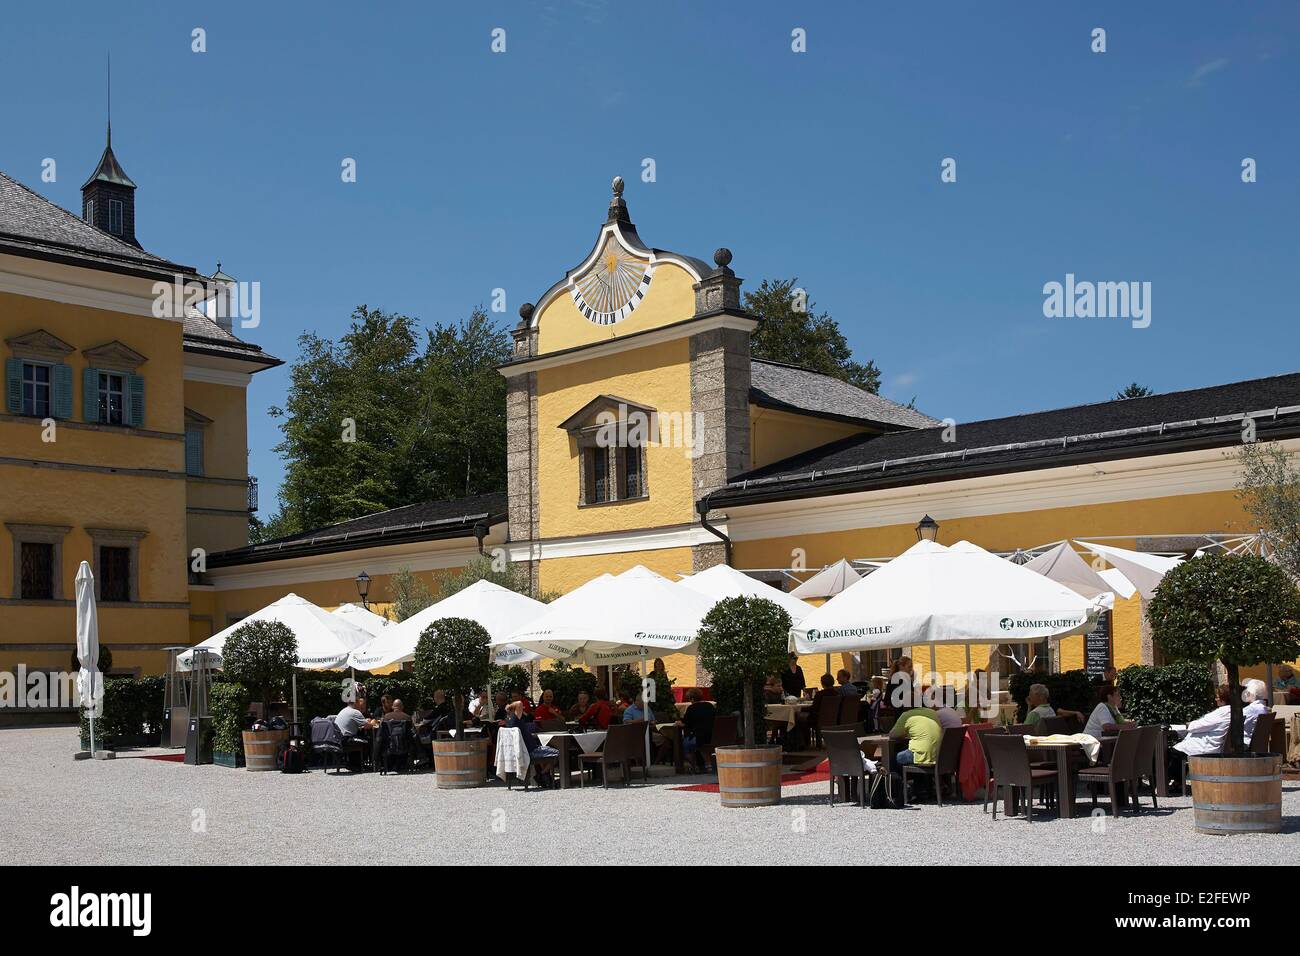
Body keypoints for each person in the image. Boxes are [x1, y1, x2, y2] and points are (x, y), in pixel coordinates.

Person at [503, 700, 561, 788]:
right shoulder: (515, 718)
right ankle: (543, 774)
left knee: (543, 748)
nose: (523, 709)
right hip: (531, 751)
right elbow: (519, 703)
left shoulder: (509, 722)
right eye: (521, 709)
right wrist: (510, 706)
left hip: (523, 751)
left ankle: (544, 777)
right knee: (559, 753)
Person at [1173, 685, 1233, 758]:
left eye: (1217, 697)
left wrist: (1189, 724)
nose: (1215, 699)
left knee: (1167, 754)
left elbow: (1194, 727)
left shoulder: (1221, 713)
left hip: (1200, 750)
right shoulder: (1231, 712)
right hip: (1208, 749)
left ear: (1224, 698)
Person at [888, 705, 942, 778]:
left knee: (892, 760)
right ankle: (919, 786)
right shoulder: (933, 713)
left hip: (921, 755)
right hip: (938, 755)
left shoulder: (907, 715)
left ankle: (900, 787)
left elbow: (892, 735)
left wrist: (904, 733)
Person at [677, 689, 717, 772]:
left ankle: (694, 766)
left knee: (684, 745)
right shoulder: (709, 706)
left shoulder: (692, 708)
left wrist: (678, 723)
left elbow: (685, 723)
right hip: (712, 736)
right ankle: (705, 765)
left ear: (692, 699)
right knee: (698, 744)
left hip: (699, 738)